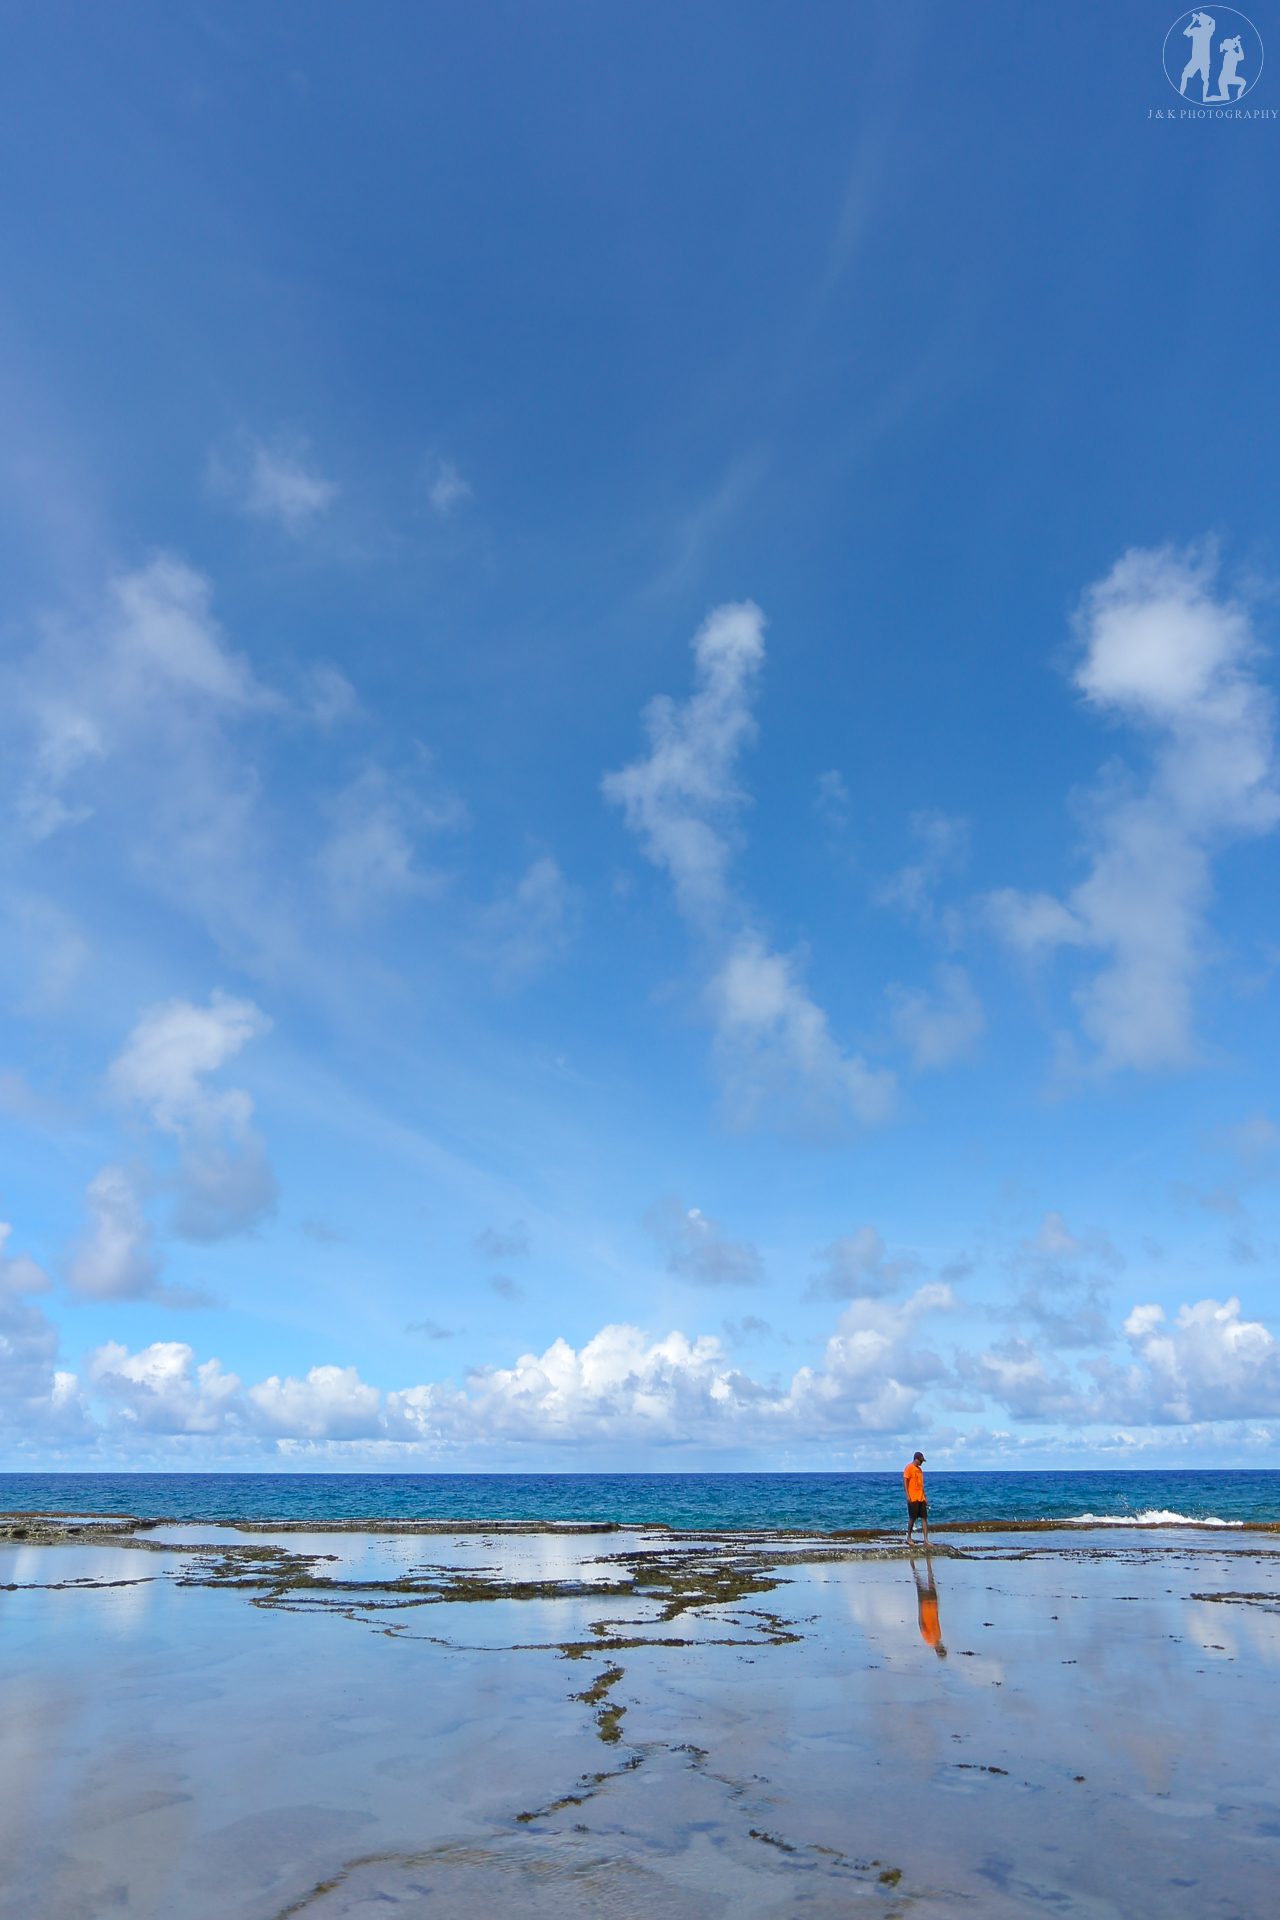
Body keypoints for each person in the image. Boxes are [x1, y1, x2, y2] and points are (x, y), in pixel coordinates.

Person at [912, 1556, 947, 1659]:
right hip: (931, 1605)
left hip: (927, 1607)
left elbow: (921, 1624)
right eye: (943, 1648)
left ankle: (916, 1564)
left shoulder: (930, 1641)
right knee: (927, 1581)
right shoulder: (936, 1638)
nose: (942, 1646)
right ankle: (925, 1563)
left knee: (920, 1582)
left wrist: (921, 1609)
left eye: (942, 1649)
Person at [903, 1450, 929, 1545]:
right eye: (921, 1461)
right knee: (912, 1518)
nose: (922, 1463)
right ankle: (909, 1537)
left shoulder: (919, 1470)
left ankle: (926, 1539)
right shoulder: (909, 1468)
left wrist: (925, 1498)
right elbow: (905, 1480)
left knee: (924, 1518)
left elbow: (921, 1486)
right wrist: (907, 1494)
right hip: (913, 1497)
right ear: (916, 1459)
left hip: (920, 1497)